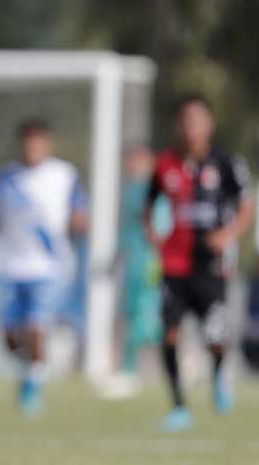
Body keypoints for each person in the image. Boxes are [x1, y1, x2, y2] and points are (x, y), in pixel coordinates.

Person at [146, 94, 254, 431]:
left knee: (214, 336)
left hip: (210, 264)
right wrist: (153, 235)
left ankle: (220, 373)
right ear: (179, 126)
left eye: (197, 120)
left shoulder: (225, 163)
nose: (191, 127)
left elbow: (246, 206)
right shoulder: (165, 165)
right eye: (185, 120)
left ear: (209, 125)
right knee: (170, 334)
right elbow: (149, 206)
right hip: (174, 264)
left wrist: (228, 234)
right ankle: (179, 406)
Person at [0, 118, 88, 416]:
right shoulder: (4, 177)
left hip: (50, 267)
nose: (32, 148)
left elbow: (80, 211)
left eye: (37, 143)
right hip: (12, 266)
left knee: (36, 328)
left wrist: (79, 221)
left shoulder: (64, 175)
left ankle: (32, 390)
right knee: (11, 338)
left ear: (47, 145)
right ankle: (29, 369)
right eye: (27, 143)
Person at [117, 146, 162, 378]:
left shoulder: (156, 190)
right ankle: (129, 365)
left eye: (139, 161)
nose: (133, 166)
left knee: (146, 313)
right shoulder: (129, 191)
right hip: (132, 262)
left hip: (150, 263)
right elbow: (125, 232)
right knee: (133, 313)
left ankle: (130, 368)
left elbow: (161, 228)